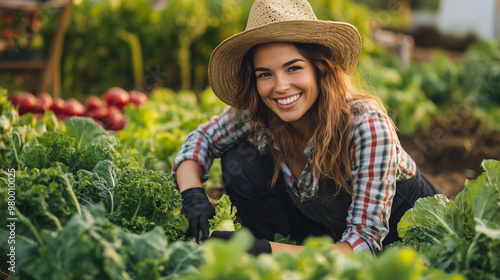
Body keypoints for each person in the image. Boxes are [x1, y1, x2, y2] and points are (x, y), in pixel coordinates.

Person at [173, 0, 440, 256]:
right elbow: (203, 138)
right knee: (241, 162)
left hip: (406, 244)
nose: (280, 86)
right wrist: (192, 194)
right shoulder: (262, 111)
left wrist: (259, 250)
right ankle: (289, 250)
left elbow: (365, 244)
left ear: (320, 68)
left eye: (293, 68)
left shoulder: (366, 126)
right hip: (332, 235)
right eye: (264, 74)